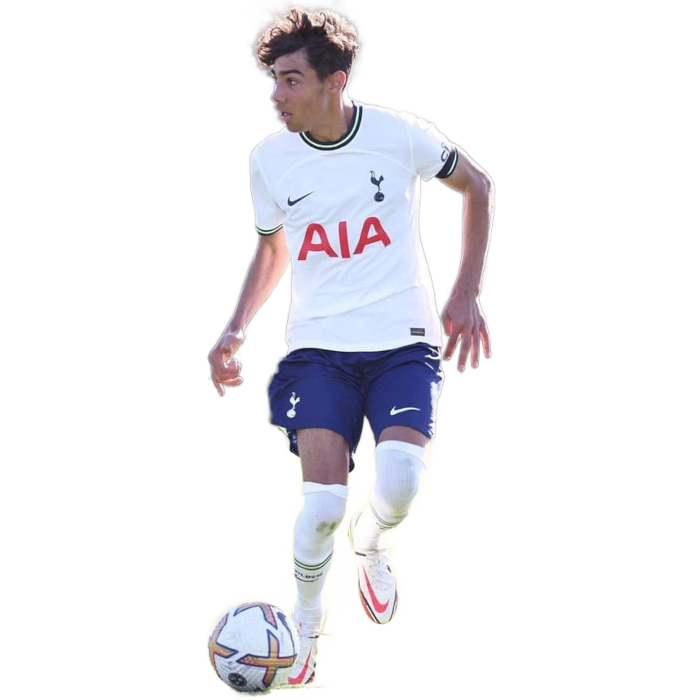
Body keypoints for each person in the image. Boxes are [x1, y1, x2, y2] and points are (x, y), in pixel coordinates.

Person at [208, 6, 493, 685]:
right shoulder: (270, 160)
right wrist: (236, 327)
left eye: (291, 80)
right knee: (319, 507)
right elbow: (273, 247)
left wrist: (465, 292)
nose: (277, 96)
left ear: (335, 81)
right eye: (273, 81)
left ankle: (371, 542)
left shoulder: (399, 134)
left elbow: (477, 185)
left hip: (403, 343)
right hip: (318, 352)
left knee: (398, 487)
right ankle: (306, 626)